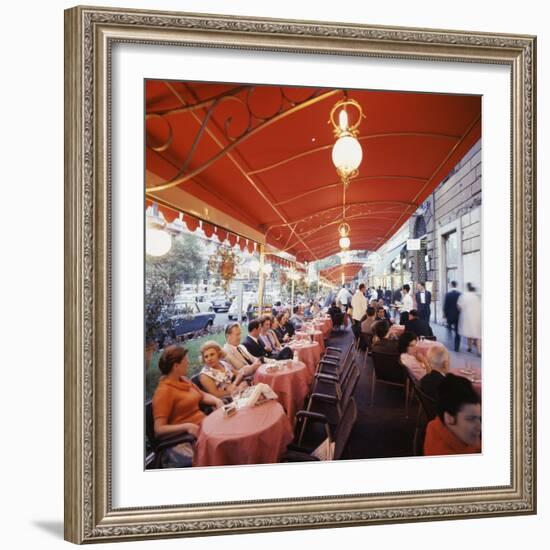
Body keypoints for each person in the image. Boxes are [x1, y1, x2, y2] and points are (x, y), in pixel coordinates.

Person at [152, 345, 224, 439]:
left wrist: (217, 401)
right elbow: (159, 429)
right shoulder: (163, 392)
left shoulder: (184, 380)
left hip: (206, 425)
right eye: (185, 360)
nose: (188, 362)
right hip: (191, 436)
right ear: (176, 366)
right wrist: (187, 427)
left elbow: (202, 395)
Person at [423, 374, 481, 456]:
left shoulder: (437, 424)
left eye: (479, 418)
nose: (480, 426)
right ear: (449, 418)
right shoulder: (443, 453)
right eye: (471, 419)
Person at [458, 283, 482, 355]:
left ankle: (469, 347)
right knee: (478, 335)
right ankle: (479, 351)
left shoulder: (464, 296)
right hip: (478, 316)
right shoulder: (478, 296)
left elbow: (459, 306)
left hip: (468, 317)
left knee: (469, 333)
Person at [443, 280, 461, 352]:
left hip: (449, 315)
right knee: (457, 332)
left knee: (449, 330)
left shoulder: (448, 294)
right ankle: (456, 347)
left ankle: (449, 344)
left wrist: (445, 314)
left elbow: (445, 305)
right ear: (456, 285)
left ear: (451, 285)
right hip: (458, 316)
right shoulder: (460, 294)